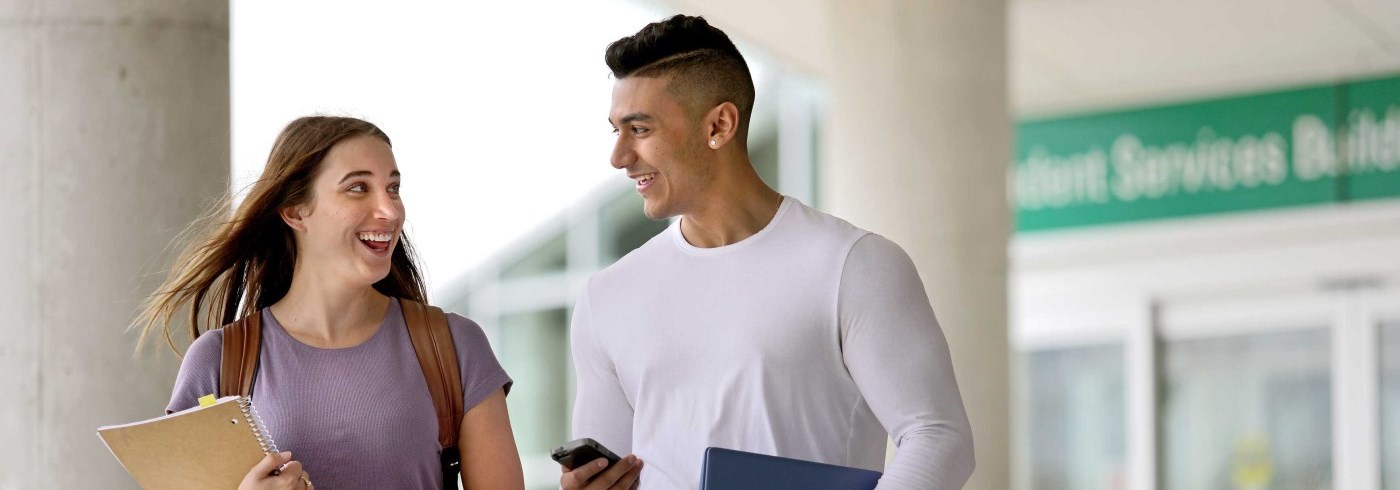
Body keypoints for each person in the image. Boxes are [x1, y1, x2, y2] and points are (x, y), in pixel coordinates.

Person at [559, 15, 976, 490]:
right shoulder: (608, 296)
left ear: (719, 124)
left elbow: (938, 437)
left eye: (640, 129)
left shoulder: (854, 266)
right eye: (616, 130)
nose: (619, 157)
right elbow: (607, 473)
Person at [133, 116, 524, 490]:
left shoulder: (455, 347)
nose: (389, 211)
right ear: (295, 211)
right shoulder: (217, 363)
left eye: (393, 187)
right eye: (358, 187)